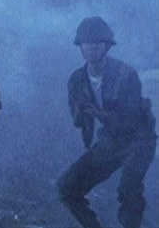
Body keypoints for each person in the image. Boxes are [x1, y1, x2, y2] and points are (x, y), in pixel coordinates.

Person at [57, 16, 156, 228]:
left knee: (128, 190)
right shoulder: (77, 79)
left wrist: (99, 114)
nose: (92, 47)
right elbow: (78, 120)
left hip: (139, 140)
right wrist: (81, 112)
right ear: (80, 46)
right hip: (111, 141)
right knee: (67, 188)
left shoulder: (126, 74)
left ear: (107, 46)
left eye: (97, 42)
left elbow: (130, 119)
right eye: (87, 42)